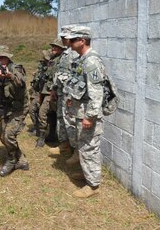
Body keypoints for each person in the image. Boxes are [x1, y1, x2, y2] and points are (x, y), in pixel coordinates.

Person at [64, 26, 106, 198]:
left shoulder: (91, 61)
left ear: (83, 40)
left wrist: (91, 116)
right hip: (81, 111)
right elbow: (81, 85)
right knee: (84, 146)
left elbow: (97, 92)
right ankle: (86, 174)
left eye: (73, 40)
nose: (70, 43)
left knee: (90, 148)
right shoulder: (83, 58)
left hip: (89, 115)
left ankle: (93, 186)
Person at [0, 45, 29, 177]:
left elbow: (21, 81)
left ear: (8, 58)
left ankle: (12, 161)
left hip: (19, 108)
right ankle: (21, 160)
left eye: (3, 58)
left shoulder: (16, 68)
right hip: (6, 108)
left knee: (9, 135)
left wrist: (10, 76)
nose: (0, 60)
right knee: (3, 136)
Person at [49, 25, 79, 164]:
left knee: (72, 123)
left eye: (64, 37)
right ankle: (65, 145)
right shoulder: (66, 53)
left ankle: (76, 151)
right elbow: (60, 72)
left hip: (70, 95)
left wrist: (72, 95)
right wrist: (54, 89)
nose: (62, 39)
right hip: (62, 93)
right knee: (61, 120)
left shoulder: (77, 54)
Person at [35, 39, 66, 147]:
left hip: (54, 92)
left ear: (61, 49)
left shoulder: (62, 60)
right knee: (51, 115)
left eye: (55, 47)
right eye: (53, 46)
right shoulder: (52, 59)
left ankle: (42, 136)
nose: (53, 48)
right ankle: (51, 135)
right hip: (46, 90)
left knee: (42, 113)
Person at [28, 50, 51, 136]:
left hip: (46, 93)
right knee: (31, 109)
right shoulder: (41, 66)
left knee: (41, 111)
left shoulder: (52, 66)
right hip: (38, 92)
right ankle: (36, 128)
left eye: (45, 57)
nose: (44, 59)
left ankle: (42, 131)